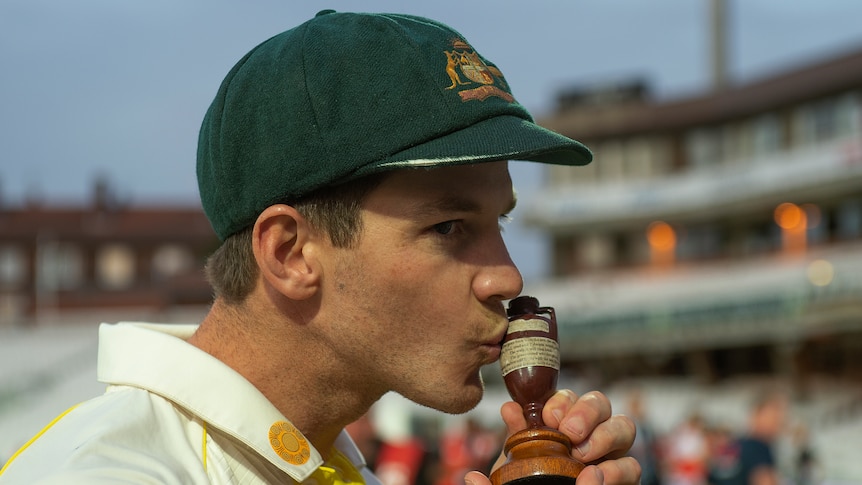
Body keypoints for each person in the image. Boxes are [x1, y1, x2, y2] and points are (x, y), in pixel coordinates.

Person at [0, 10, 640, 485]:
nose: (507, 276)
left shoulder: (327, 468)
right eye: (448, 227)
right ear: (289, 253)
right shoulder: (106, 474)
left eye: (501, 222)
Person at [708, 391, 788, 485]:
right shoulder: (759, 448)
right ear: (756, 415)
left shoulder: (734, 445)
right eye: (775, 418)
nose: (780, 424)